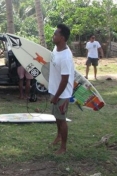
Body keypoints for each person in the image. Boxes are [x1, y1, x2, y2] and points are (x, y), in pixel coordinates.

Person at [49, 23, 75, 155]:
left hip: (62, 93)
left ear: (62, 38)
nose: (53, 36)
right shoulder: (56, 48)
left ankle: (63, 147)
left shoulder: (65, 57)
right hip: (55, 90)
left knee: (62, 119)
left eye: (56, 34)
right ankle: (59, 136)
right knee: (57, 117)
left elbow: (65, 80)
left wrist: (56, 96)